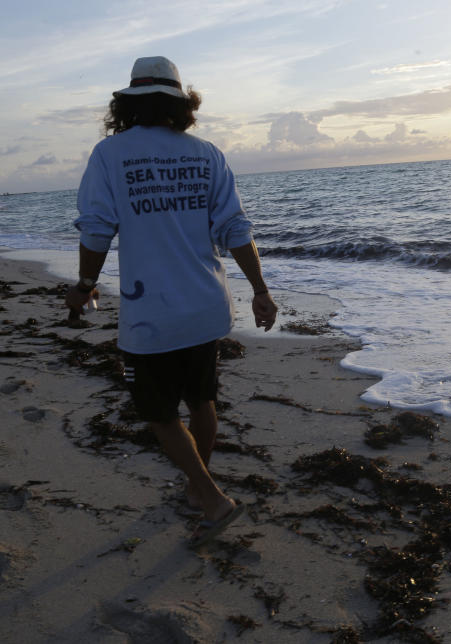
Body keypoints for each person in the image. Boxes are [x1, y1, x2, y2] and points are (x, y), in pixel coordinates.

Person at [66, 56, 278, 547]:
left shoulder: (110, 154)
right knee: (201, 399)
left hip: (152, 317)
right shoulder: (207, 154)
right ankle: (194, 487)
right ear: (181, 104)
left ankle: (210, 497)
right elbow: (235, 229)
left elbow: (97, 228)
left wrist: (82, 285)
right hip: (206, 305)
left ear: (127, 103)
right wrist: (261, 292)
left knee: (159, 414)